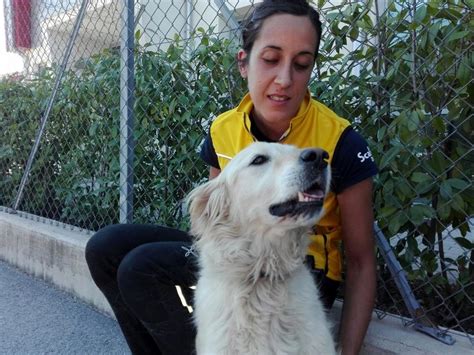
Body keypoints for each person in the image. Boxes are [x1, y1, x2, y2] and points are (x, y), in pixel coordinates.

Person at [85, 1, 377, 354]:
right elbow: (219, 212)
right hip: (240, 255)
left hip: (297, 268)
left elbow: (361, 261)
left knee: (140, 266)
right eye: (271, 59)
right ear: (244, 62)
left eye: (301, 64)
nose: (285, 79)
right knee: (105, 248)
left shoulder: (341, 141)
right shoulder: (223, 128)